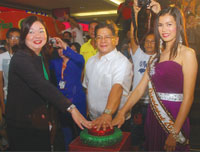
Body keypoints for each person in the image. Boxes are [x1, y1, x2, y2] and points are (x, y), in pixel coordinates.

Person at [112, 6, 198, 151]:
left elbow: (188, 97)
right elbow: (139, 89)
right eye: (160, 25)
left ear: (178, 26)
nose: (164, 29)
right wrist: (122, 112)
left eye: (169, 24)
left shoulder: (187, 54)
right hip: (153, 116)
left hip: (175, 117)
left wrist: (175, 132)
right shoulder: (154, 58)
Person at [5, 15, 91, 151]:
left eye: (41, 31)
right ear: (24, 36)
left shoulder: (41, 56)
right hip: (23, 123)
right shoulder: (21, 57)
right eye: (31, 32)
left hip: (39, 118)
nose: (37, 36)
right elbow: (41, 85)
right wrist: (71, 108)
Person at [83, 21, 133, 131]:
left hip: (114, 121)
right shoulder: (90, 61)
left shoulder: (122, 62)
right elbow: (87, 88)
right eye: (99, 37)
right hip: (93, 119)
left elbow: (117, 88)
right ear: (95, 41)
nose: (103, 41)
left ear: (116, 40)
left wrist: (107, 114)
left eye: (107, 37)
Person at [128, 0, 157, 150]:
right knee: (135, 137)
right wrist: (135, 14)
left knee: (152, 137)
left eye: (153, 41)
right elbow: (133, 37)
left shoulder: (160, 57)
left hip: (154, 105)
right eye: (147, 41)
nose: (150, 44)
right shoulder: (138, 55)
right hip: (138, 104)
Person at [49, 39, 86, 151]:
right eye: (59, 49)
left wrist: (65, 46)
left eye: (63, 48)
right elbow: (43, 62)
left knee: (81, 129)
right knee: (66, 130)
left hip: (77, 100)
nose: (61, 51)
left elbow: (80, 58)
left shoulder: (77, 62)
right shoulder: (55, 62)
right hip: (63, 101)